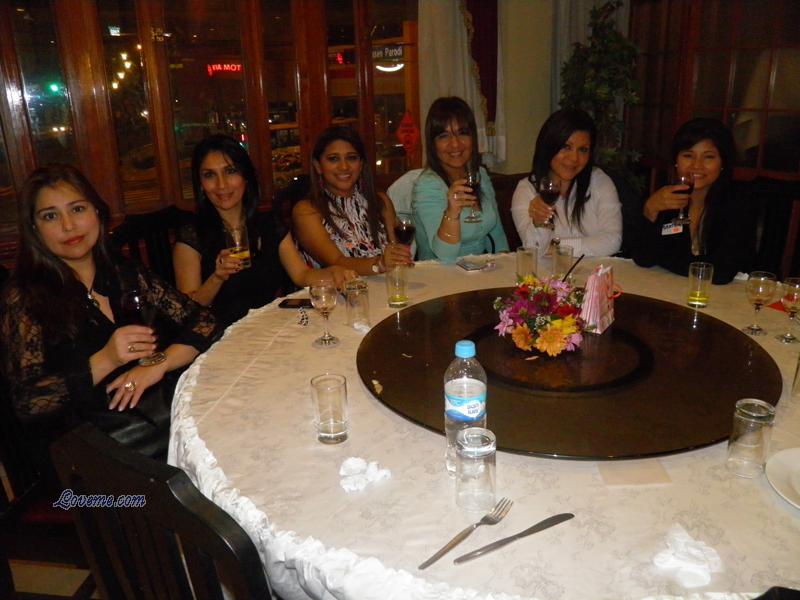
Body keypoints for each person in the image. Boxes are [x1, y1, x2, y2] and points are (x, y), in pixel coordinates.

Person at [0, 164, 221, 477]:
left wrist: (157, 364)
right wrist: (106, 359)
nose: (68, 225)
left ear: (97, 213)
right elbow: (28, 400)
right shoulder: (23, 297)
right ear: (34, 228)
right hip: (89, 457)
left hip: (161, 426)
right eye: (50, 216)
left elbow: (205, 322)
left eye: (77, 209)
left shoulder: (123, 273)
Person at [173, 135, 356, 327]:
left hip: (267, 328)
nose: (221, 184)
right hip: (220, 335)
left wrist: (333, 272)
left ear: (246, 177)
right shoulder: (192, 235)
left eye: (230, 171)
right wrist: (217, 277)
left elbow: (301, 275)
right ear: (201, 185)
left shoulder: (269, 223)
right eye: (209, 175)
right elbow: (188, 312)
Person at [632, 118, 754, 284]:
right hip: (671, 288)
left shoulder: (738, 203)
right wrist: (649, 211)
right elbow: (643, 258)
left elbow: (721, 273)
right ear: (676, 161)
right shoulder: (665, 198)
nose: (697, 166)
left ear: (723, 163)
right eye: (688, 155)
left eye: (708, 157)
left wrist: (664, 258)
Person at [292, 126, 412, 277]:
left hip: (387, 286)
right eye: (333, 159)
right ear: (318, 166)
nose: (344, 166)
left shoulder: (380, 201)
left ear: (361, 164)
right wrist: (379, 264)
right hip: (337, 290)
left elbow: (396, 251)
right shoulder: (307, 211)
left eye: (351, 158)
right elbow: (336, 261)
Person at [511, 108, 622, 257]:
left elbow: (613, 240)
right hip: (548, 272)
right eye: (566, 147)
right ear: (549, 146)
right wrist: (539, 223)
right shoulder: (527, 190)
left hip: (595, 271)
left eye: (582, 150)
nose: (574, 158)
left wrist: (556, 247)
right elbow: (533, 249)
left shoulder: (599, 181)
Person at [412, 97, 509, 262]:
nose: (455, 144)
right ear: (433, 144)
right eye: (444, 136)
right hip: (440, 273)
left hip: (480, 270)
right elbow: (445, 254)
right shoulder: (427, 186)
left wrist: (506, 266)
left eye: (462, 133)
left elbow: (497, 233)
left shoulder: (479, 175)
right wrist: (452, 213)